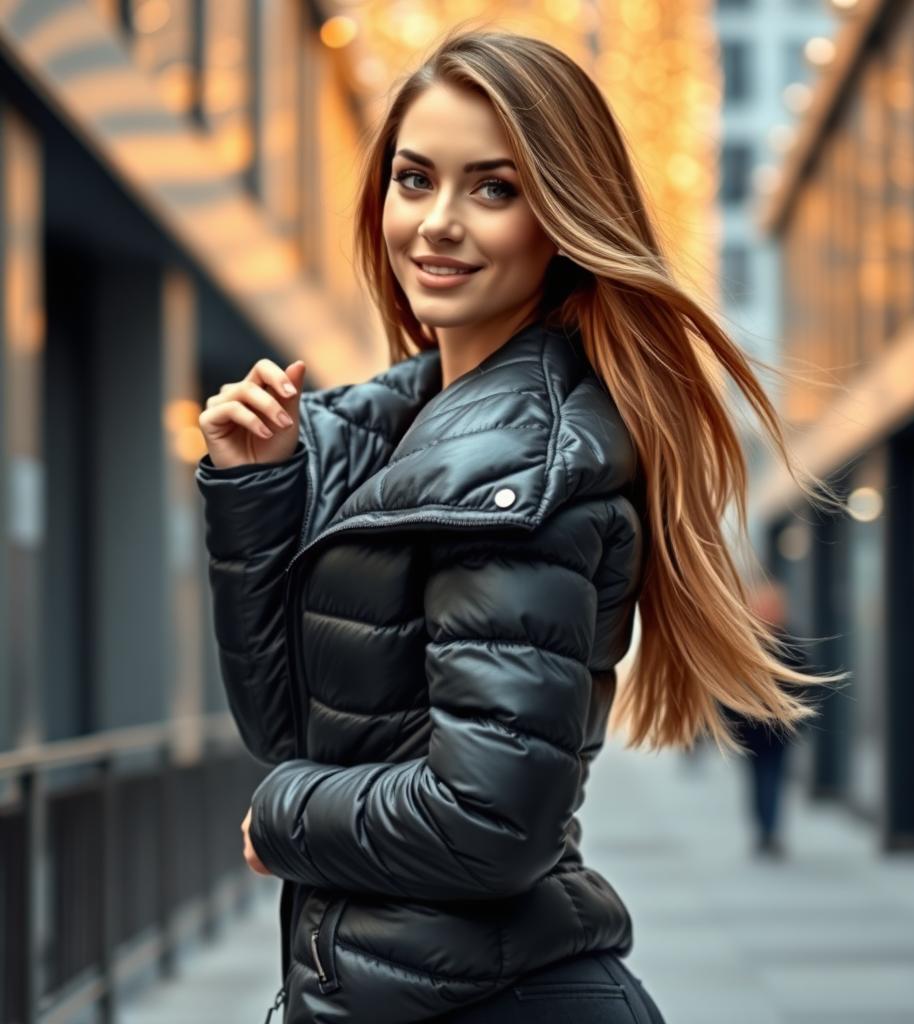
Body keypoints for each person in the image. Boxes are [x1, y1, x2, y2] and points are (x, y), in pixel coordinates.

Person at [194, 27, 845, 1024]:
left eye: (493, 189)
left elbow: (489, 819)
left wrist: (284, 815)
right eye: (415, 180)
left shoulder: (517, 466)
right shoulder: (393, 432)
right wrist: (258, 492)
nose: (438, 224)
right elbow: (296, 730)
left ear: (561, 221)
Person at [726, 581, 812, 860]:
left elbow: (806, 685)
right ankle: (763, 829)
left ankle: (770, 831)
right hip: (749, 730)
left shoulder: (791, 644)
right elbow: (726, 688)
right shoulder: (743, 644)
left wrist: (798, 721)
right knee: (757, 780)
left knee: (773, 779)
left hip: (779, 731)